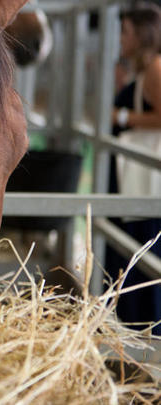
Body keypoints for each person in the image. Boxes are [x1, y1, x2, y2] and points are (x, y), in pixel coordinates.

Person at [107, 3, 161, 336]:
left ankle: (147, 331)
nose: (120, 38)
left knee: (144, 251)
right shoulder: (142, 69)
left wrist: (122, 118)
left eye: (125, 31)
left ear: (142, 35)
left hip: (143, 180)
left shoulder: (156, 69)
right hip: (132, 177)